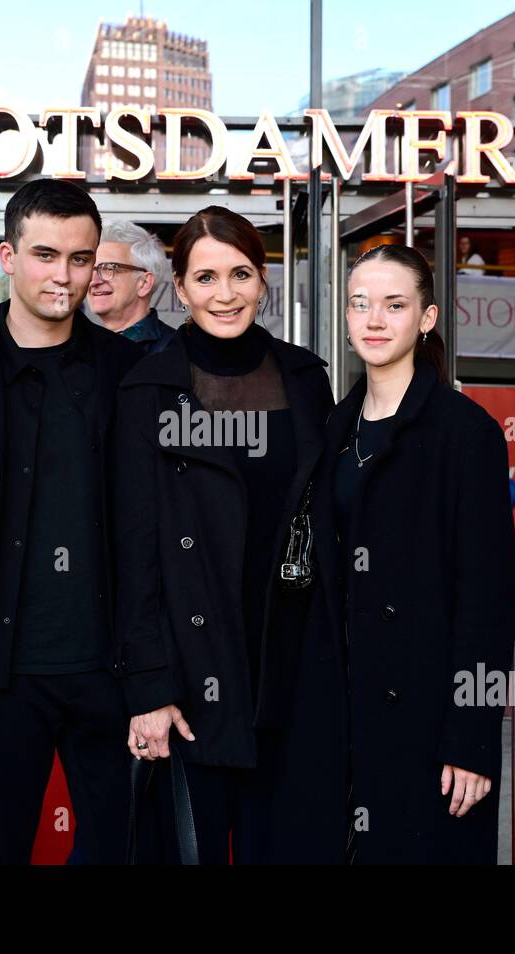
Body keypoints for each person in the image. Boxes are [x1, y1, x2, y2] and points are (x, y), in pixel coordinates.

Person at [0, 179, 142, 864]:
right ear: (7, 257)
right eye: (46, 255)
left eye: (81, 260)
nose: (65, 276)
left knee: (122, 853)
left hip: (111, 670)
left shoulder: (133, 372)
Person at [113, 205, 335, 864]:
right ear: (179, 288)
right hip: (191, 673)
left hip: (287, 662)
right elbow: (134, 548)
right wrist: (148, 688)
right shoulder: (148, 389)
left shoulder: (304, 379)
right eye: (205, 277)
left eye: (240, 273)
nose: (225, 293)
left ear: (263, 281)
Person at [305, 243, 515, 863]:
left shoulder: (466, 434)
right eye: (360, 304)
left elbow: (487, 600)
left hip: (426, 709)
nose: (374, 320)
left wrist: (472, 741)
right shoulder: (333, 429)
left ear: (425, 318)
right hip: (340, 699)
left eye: (394, 305)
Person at [88, 220, 176, 353]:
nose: (93, 281)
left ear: (144, 283)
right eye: (90, 269)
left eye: (108, 268)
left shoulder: (175, 351)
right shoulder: (84, 347)